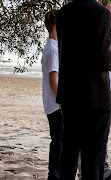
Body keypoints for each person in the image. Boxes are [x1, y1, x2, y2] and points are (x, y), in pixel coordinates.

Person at [56, 0, 111, 180]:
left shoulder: (64, 12)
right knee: (93, 157)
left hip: (69, 95)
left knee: (68, 153)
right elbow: (104, 59)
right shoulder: (102, 14)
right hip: (95, 97)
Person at [77, 41, 111, 179]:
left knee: (103, 133)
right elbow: (101, 57)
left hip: (108, 87)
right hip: (97, 87)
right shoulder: (97, 24)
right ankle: (85, 171)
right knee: (90, 133)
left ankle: (104, 167)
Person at [41, 10, 63, 180]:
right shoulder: (53, 50)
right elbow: (53, 80)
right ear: (56, 26)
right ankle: (54, 176)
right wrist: (62, 102)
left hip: (52, 103)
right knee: (59, 143)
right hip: (56, 105)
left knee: (58, 142)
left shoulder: (52, 47)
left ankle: (55, 175)